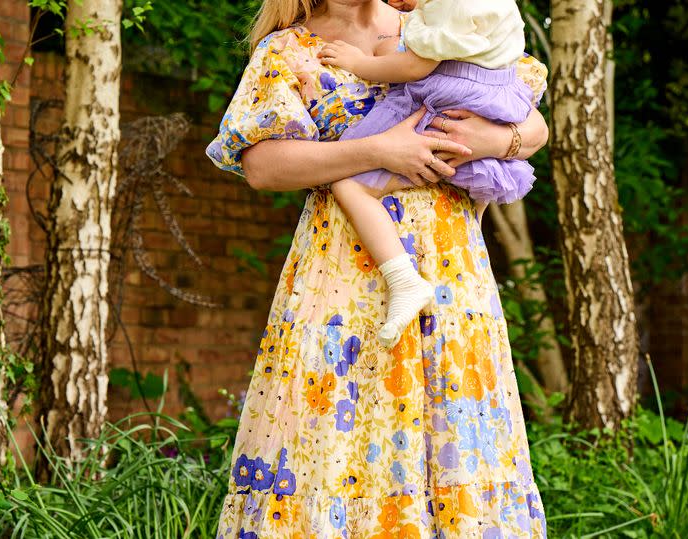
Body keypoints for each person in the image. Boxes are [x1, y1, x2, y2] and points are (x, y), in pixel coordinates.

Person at [205, 0, 549, 537]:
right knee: (331, 440)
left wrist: (493, 141)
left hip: (451, 280)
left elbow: (531, 121)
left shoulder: (436, 25)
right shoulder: (292, 48)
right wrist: (380, 150)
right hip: (341, 281)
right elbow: (262, 165)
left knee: (454, 438)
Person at [318, 0, 538, 349]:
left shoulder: (451, 8)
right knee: (474, 183)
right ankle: (475, 231)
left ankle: (403, 279)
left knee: (349, 185)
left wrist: (359, 63)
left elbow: (416, 66)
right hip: (496, 98)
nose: (398, 4)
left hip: (448, 96)